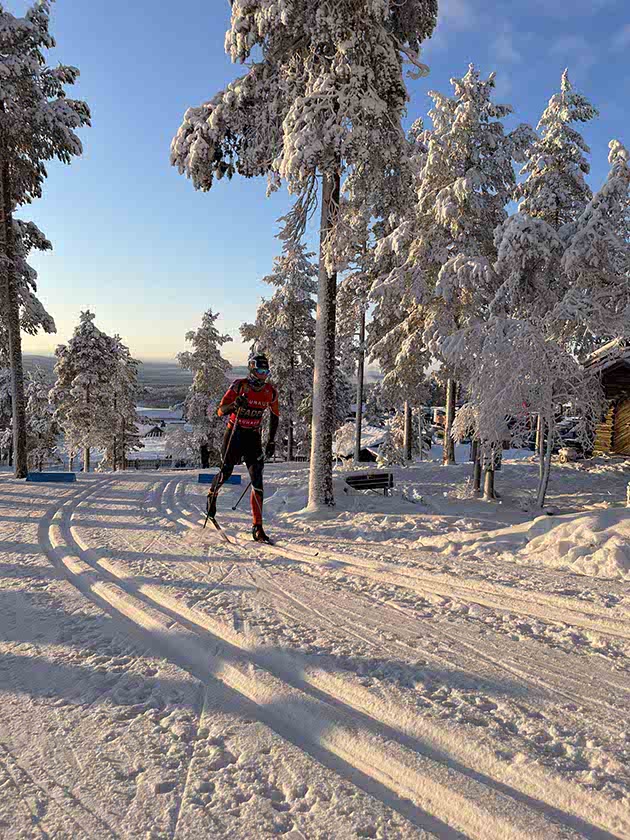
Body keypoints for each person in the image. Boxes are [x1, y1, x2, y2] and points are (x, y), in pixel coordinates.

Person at [207, 352, 279, 543]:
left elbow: (275, 416)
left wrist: (271, 441)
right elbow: (220, 410)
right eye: (261, 370)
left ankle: (257, 527)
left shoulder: (270, 391)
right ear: (253, 370)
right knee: (226, 472)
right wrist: (234, 405)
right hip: (234, 433)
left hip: (253, 436)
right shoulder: (240, 386)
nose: (264, 375)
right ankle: (212, 497)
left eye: (267, 371)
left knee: (257, 480)